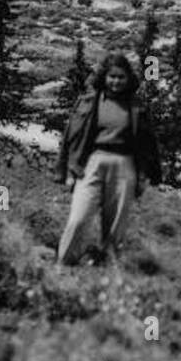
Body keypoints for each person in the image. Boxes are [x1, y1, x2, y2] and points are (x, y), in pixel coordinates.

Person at [55, 53, 161, 265]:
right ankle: (64, 263)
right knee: (79, 218)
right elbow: (71, 136)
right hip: (93, 162)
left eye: (121, 77)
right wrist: (69, 169)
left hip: (125, 165)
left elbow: (148, 143)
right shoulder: (89, 101)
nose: (116, 81)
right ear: (104, 76)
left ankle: (106, 265)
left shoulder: (136, 106)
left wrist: (144, 174)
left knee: (115, 224)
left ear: (128, 79)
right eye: (112, 76)